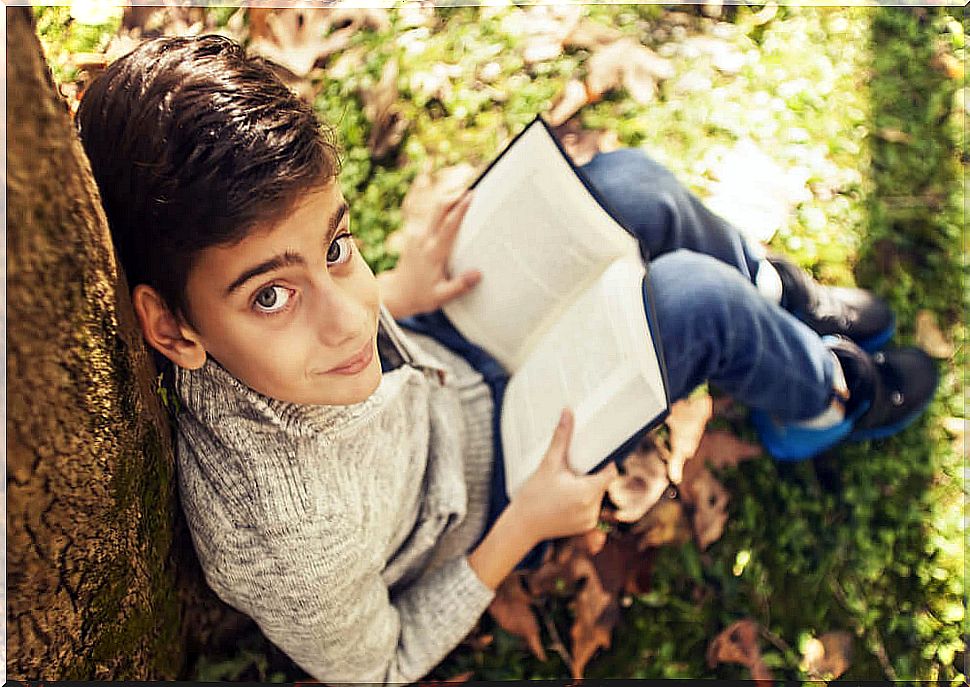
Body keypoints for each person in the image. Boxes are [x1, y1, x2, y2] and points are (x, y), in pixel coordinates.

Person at [76, 35, 937, 684]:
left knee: (630, 186)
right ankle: (823, 401)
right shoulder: (282, 538)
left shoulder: (305, 340)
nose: (350, 318)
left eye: (336, 246)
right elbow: (379, 665)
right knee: (688, 303)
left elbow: (348, 313)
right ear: (172, 329)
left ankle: (779, 298)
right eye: (271, 294)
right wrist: (524, 526)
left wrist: (405, 294)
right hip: (490, 492)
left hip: (443, 363)